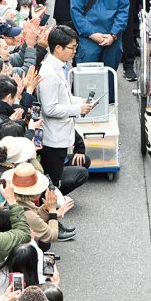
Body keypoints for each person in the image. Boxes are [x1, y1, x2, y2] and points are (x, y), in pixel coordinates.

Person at [37, 25, 96, 190]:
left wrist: (82, 102)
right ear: (58, 48)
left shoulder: (59, 67)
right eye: (72, 48)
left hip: (61, 134)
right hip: (53, 139)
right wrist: (78, 110)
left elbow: (66, 98)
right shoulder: (49, 74)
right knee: (54, 181)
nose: (74, 51)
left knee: (82, 161)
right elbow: (50, 109)